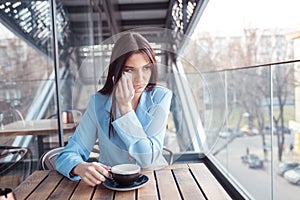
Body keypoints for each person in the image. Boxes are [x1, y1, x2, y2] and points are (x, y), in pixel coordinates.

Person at [56, 32, 173, 186]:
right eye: (130, 70)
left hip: (155, 182)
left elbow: (147, 158)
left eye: (146, 68)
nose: (140, 79)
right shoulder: (98, 102)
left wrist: (125, 109)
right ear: (117, 71)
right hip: (112, 187)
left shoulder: (160, 97)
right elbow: (67, 155)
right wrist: (80, 167)